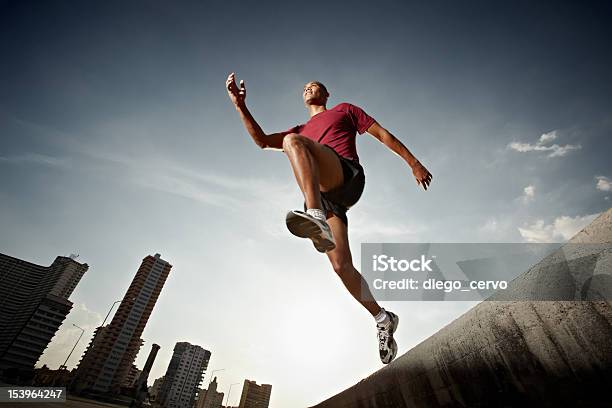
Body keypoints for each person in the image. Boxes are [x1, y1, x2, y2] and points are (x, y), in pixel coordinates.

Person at [225, 73, 432, 364]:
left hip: (346, 175)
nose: (308, 87)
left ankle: (314, 215)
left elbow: (383, 134)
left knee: (292, 142)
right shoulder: (301, 127)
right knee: (340, 266)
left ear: (326, 93)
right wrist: (240, 105)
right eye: (305, 87)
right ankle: (382, 318)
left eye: (315, 84)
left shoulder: (344, 110)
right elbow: (260, 141)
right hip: (327, 197)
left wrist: (414, 163)